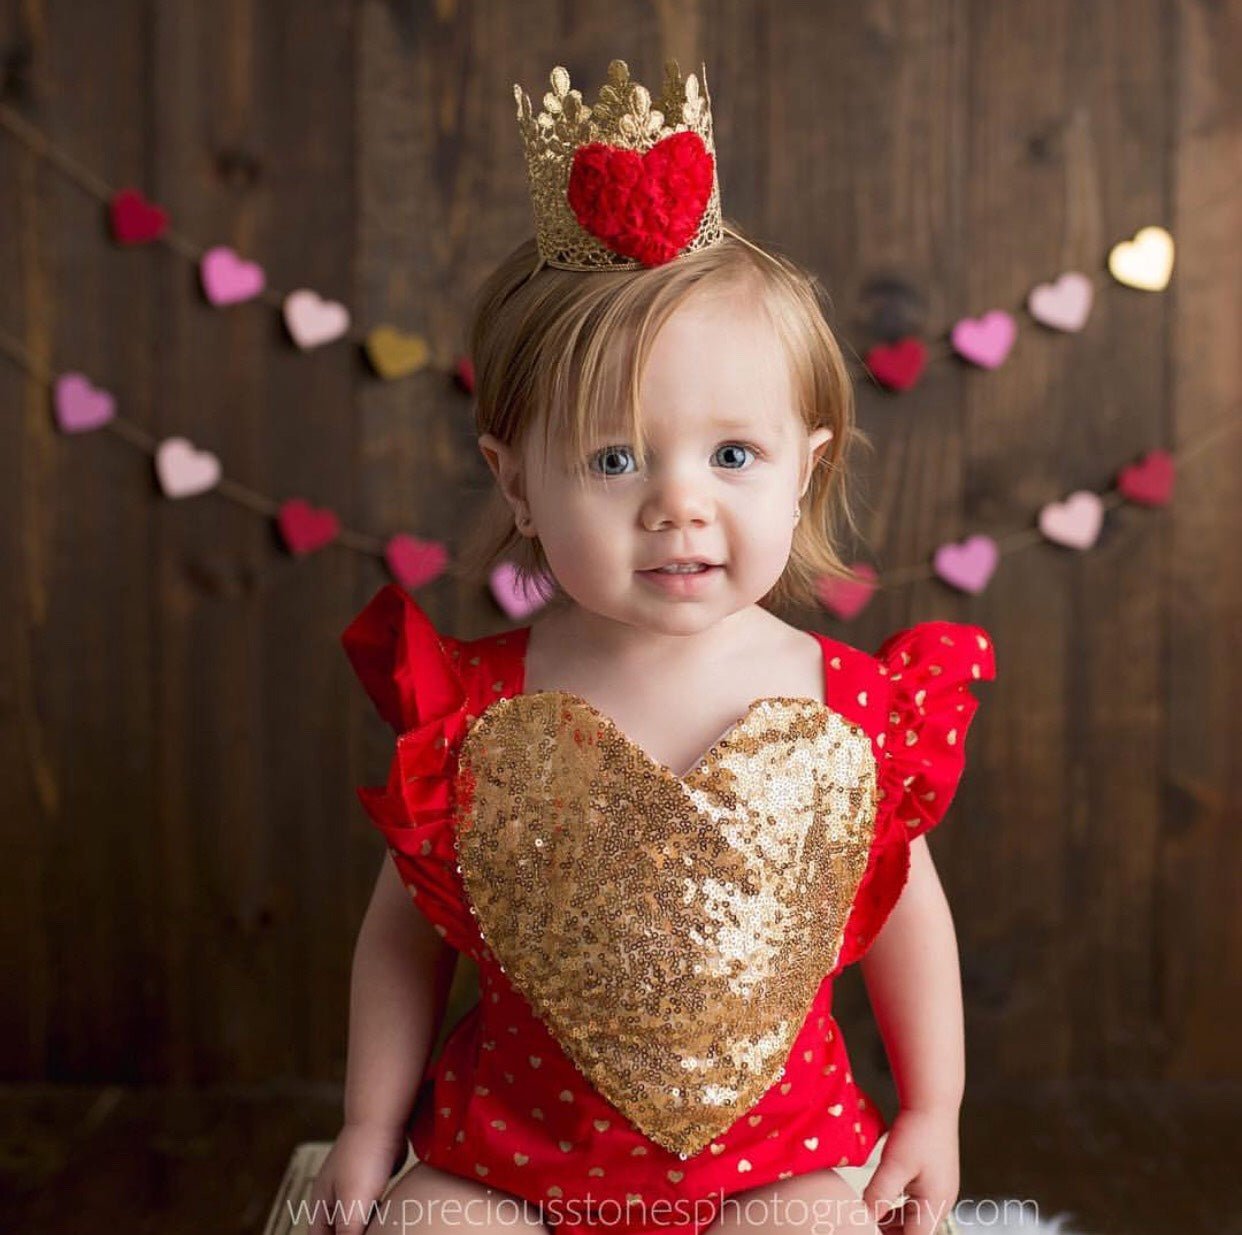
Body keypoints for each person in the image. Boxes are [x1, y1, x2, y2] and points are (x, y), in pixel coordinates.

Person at [309, 58, 996, 1235]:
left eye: (732, 455)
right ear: (515, 478)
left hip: (774, 1159)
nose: (678, 504)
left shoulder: (849, 701)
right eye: (614, 459)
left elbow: (907, 916)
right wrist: (371, 1129)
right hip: (506, 1156)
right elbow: (400, 941)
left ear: (807, 467)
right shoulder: (473, 704)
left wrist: (933, 1108)